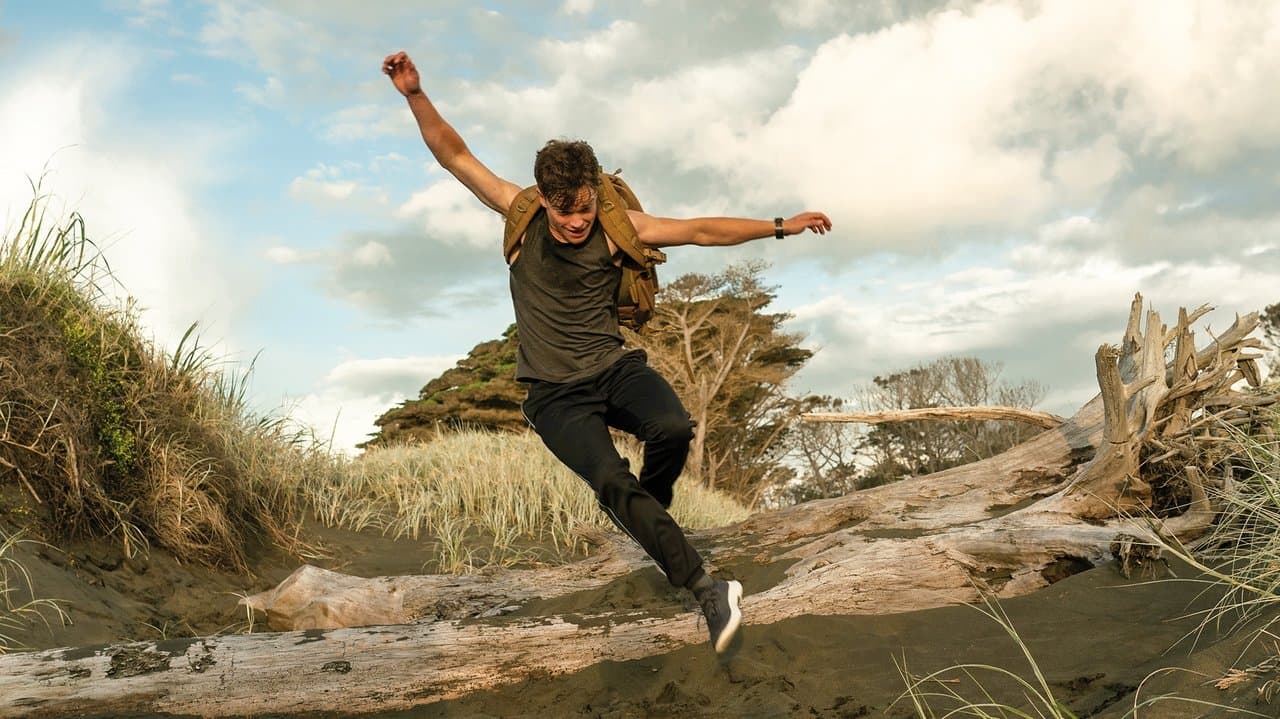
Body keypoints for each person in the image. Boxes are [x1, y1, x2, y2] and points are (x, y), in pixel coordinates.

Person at [383, 50, 831, 655]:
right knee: (610, 480)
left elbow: (701, 229)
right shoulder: (519, 211)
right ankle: (707, 589)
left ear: (595, 192)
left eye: (585, 208)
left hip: (613, 369)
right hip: (553, 395)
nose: (576, 222)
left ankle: (653, 512)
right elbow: (454, 154)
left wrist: (781, 224)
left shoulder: (622, 226)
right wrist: (415, 95)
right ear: (544, 199)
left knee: (673, 427)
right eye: (564, 212)